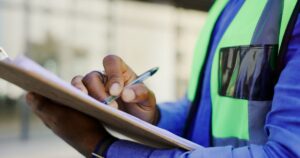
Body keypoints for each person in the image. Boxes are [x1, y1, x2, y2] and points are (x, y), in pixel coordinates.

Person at [26, 0, 300, 157]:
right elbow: (204, 110)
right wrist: (149, 117)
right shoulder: (229, 6)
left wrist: (103, 147)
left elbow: (287, 154)